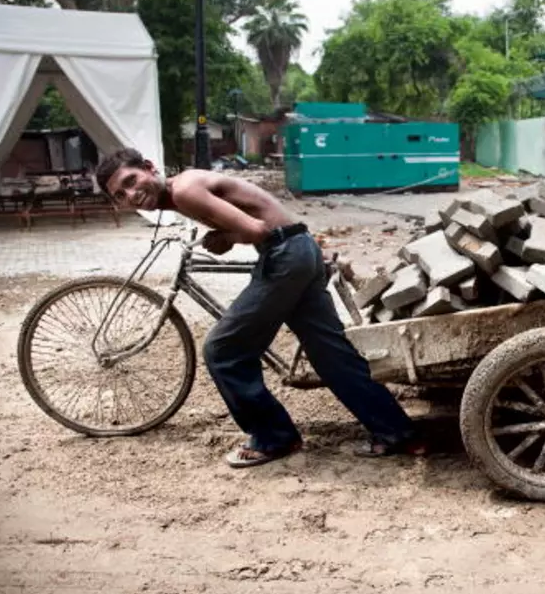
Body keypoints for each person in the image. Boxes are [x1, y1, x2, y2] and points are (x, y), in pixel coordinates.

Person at [94, 148, 425, 468]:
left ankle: (274, 438)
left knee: (223, 351)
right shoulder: (184, 188)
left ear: (150, 168)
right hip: (300, 248)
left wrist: (225, 237)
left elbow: (256, 229)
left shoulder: (184, 191)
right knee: (331, 354)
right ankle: (398, 433)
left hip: (284, 255)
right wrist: (228, 234)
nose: (131, 194)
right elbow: (264, 216)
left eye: (131, 180)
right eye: (120, 195)